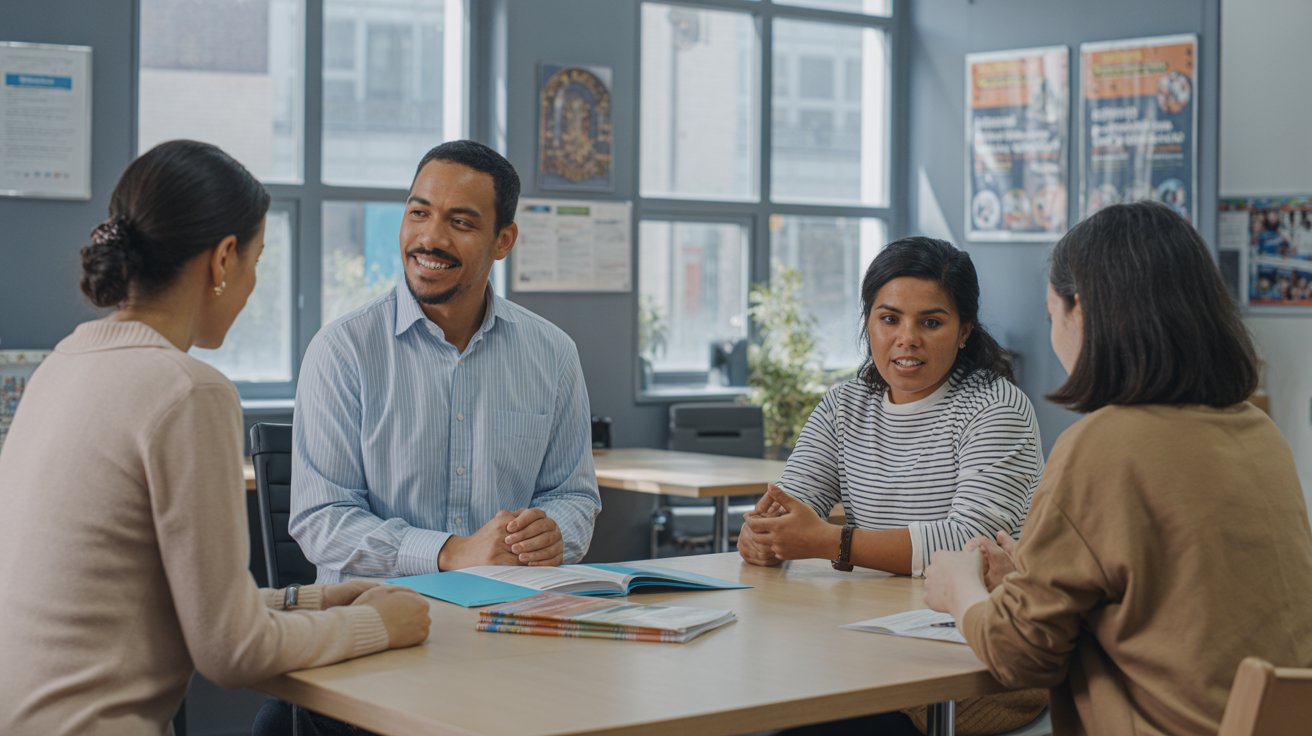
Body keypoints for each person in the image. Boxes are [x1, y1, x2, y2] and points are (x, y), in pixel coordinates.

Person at [0, 140, 431, 735]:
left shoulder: (62, 365)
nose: (253, 282)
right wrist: (383, 626)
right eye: (256, 260)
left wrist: (312, 600)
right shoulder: (187, 390)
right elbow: (231, 652)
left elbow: (159, 608)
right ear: (224, 260)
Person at [924, 201, 1312, 735]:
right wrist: (1026, 578)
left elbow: (1019, 657)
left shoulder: (1102, 445)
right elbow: (1175, 607)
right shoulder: (1260, 435)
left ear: (1078, 310)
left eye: (1051, 314)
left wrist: (958, 587)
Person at [740, 236, 1046, 735]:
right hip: (864, 642)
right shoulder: (845, 405)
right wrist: (762, 536)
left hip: (976, 657)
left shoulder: (997, 408)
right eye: (889, 319)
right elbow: (783, 507)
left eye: (931, 321)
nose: (907, 338)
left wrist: (827, 541)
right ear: (868, 323)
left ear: (964, 330)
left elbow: (967, 546)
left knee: (807, 728)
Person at [290, 140, 601, 583]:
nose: (431, 239)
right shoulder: (343, 351)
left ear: (503, 241)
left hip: (506, 611)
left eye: (460, 222)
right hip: (377, 622)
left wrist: (552, 534)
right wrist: (450, 553)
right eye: (419, 213)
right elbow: (322, 520)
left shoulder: (553, 353)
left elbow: (573, 497)